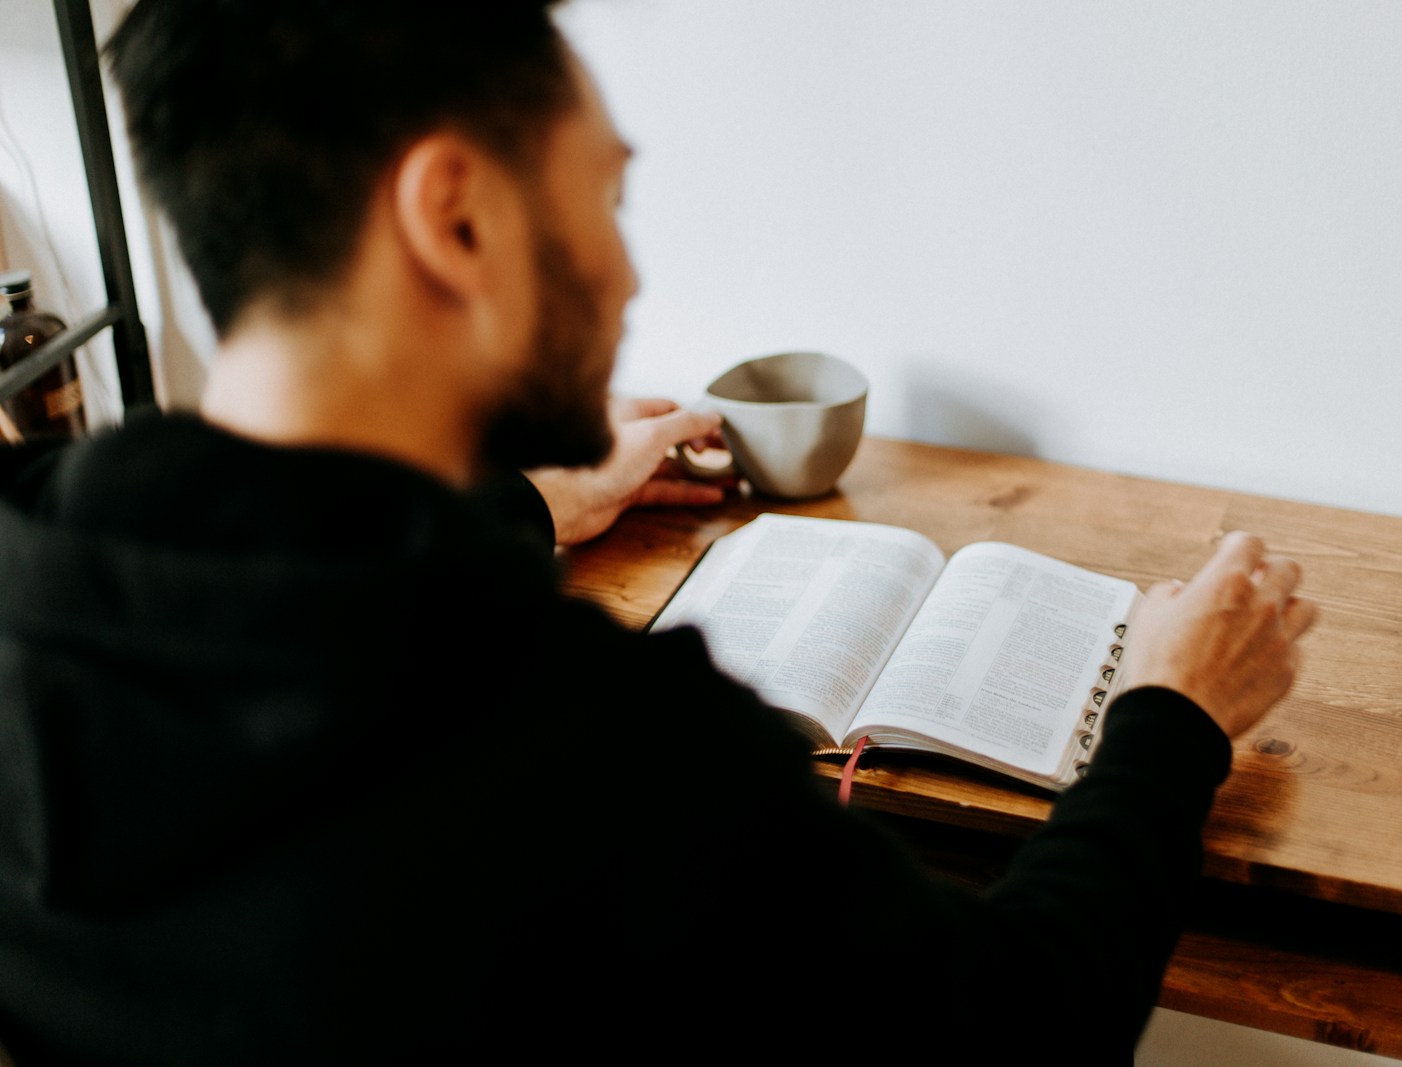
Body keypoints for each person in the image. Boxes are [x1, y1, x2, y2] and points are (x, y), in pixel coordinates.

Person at [0, 1, 1316, 1062]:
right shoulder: (598, 749)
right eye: (607, 197)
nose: (628, 271)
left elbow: (314, 603)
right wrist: (1171, 717)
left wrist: (528, 504)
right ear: (457, 217)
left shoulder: (33, 567)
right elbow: (1014, 1029)